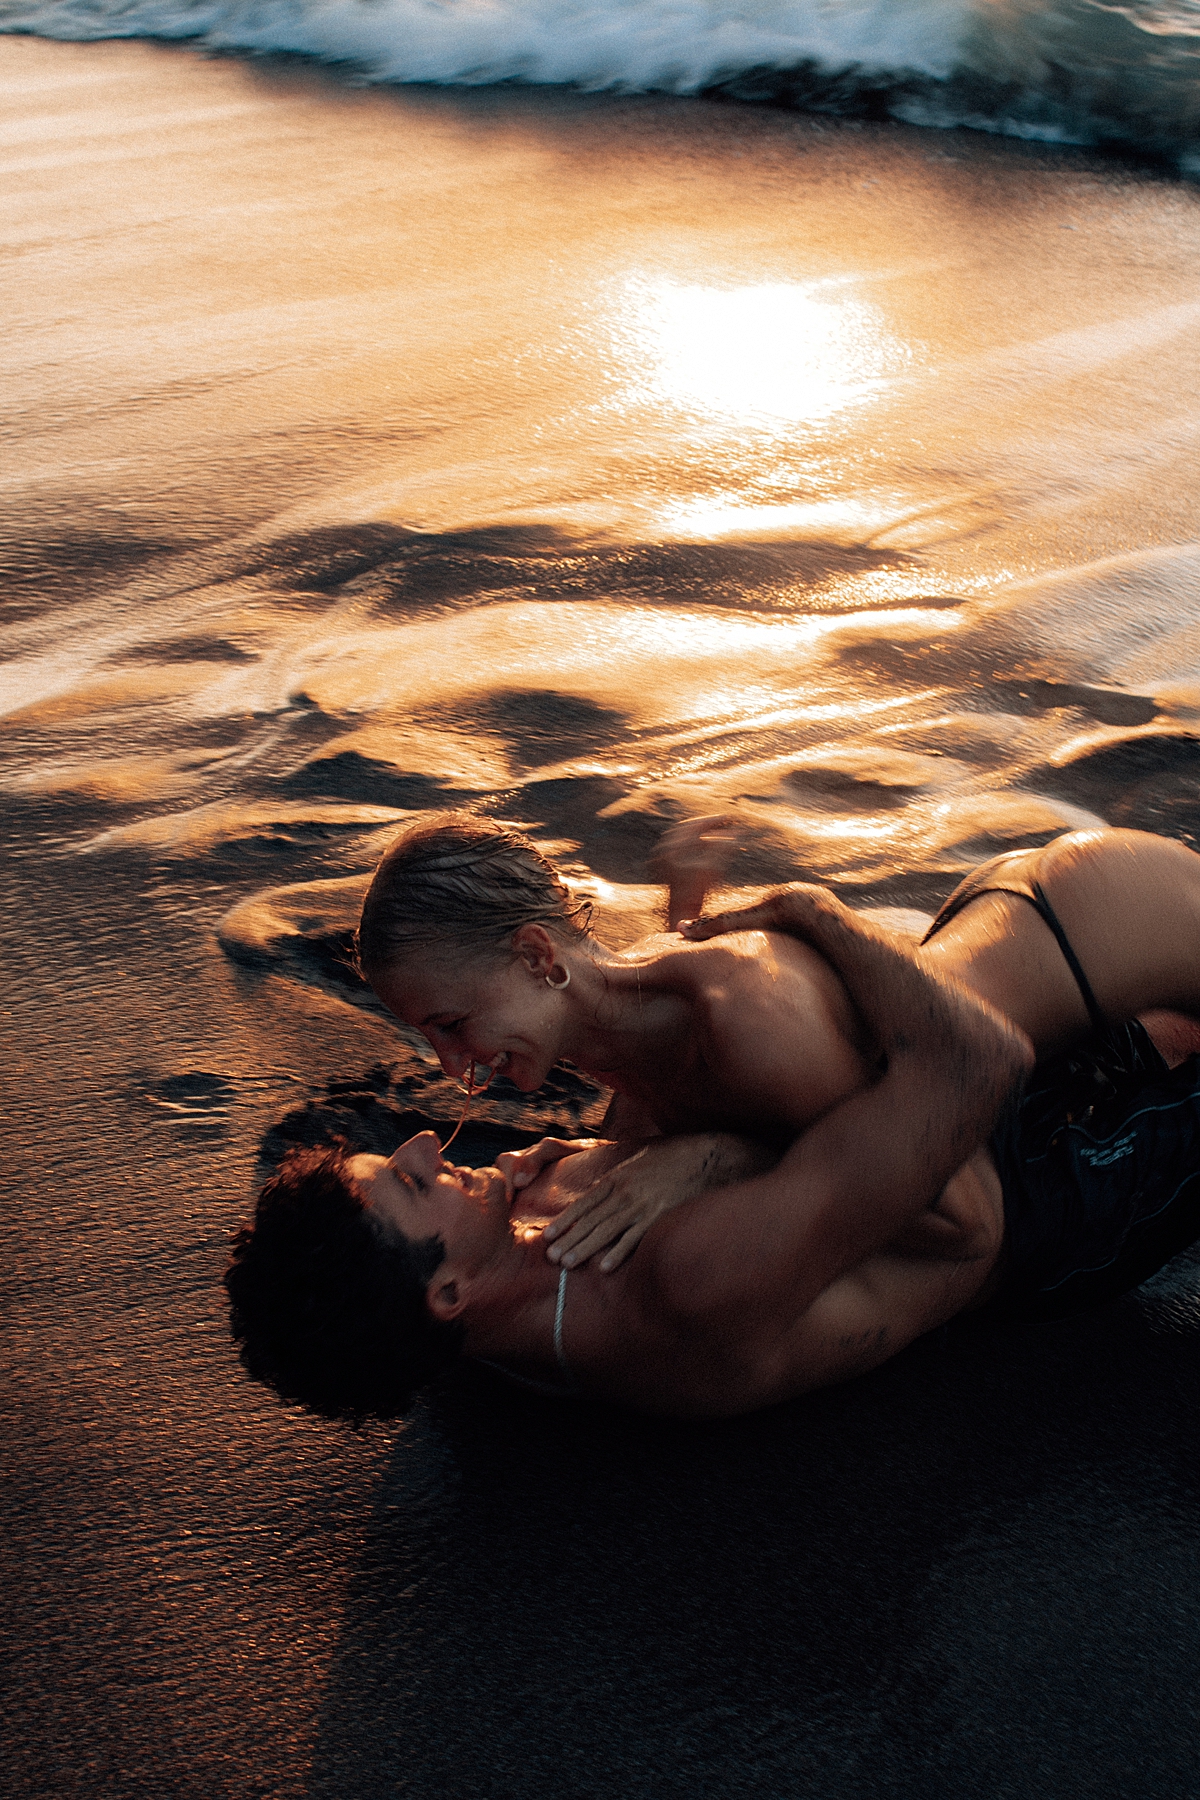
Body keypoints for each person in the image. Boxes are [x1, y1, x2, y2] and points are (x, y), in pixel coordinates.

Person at [224, 828, 1200, 1418]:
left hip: (1064, 945)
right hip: (1044, 1144)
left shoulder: (474, 1322)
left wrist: (694, 1147)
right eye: (409, 1183)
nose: (432, 1137)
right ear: (443, 1294)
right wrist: (816, 913)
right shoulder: (682, 1280)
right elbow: (974, 1128)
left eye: (450, 1022)